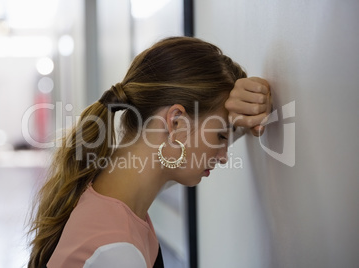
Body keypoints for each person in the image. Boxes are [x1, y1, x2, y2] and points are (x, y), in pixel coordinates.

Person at [27, 36, 271, 268]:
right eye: (221, 136)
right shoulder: (115, 250)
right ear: (176, 123)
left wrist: (252, 105)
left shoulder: (104, 187)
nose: (223, 155)